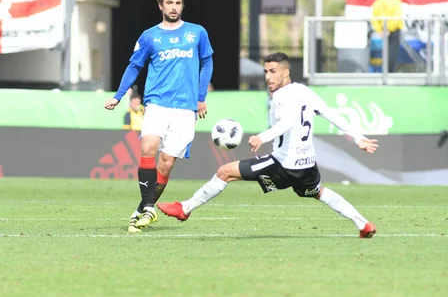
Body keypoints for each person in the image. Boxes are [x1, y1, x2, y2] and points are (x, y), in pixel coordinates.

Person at [157, 52, 378, 238]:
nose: (268, 77)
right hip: (307, 164)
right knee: (319, 192)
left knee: (225, 172)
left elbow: (288, 122)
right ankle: (363, 224)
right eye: (266, 72)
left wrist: (263, 136)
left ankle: (184, 209)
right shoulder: (304, 91)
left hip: (283, 164)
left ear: (286, 72)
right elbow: (331, 114)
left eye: (273, 72)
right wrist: (358, 137)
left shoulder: (281, 97)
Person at [104, 0, 214, 233]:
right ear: (160, 6)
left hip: (185, 109)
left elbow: (207, 62)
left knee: (165, 163)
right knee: (148, 147)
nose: (174, 7)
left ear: (182, 5)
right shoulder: (149, 36)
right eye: (169, 3)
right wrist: (119, 95)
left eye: (177, 3)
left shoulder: (197, 33)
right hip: (156, 104)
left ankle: (143, 208)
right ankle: (150, 207)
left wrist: (200, 96)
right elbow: (134, 66)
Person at [371, 0, 404, 73]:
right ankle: (390, 72)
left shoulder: (378, 2)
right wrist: (390, 29)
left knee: (385, 51)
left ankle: (385, 71)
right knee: (393, 52)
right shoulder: (396, 1)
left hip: (383, 30)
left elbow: (374, 18)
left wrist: (380, 30)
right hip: (393, 31)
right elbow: (397, 17)